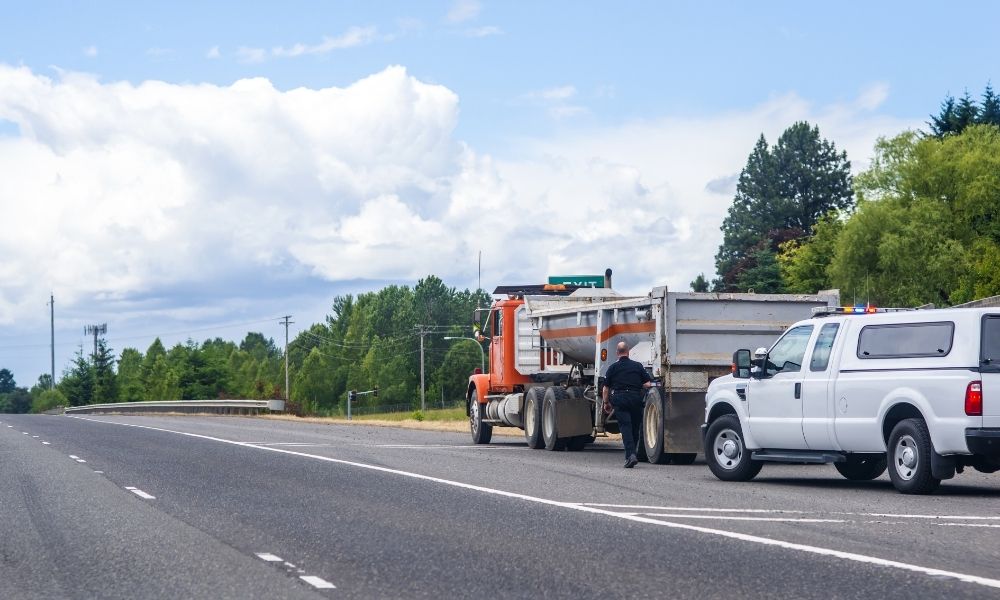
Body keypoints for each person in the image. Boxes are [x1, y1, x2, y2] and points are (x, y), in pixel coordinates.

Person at [602, 340, 653, 468]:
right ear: (628, 352)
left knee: (625, 427)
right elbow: (648, 384)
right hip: (635, 398)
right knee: (635, 428)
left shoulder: (613, 367)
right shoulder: (637, 366)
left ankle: (630, 455)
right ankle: (632, 453)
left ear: (617, 353)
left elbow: (605, 388)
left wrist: (606, 403)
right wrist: (636, 384)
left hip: (620, 399)